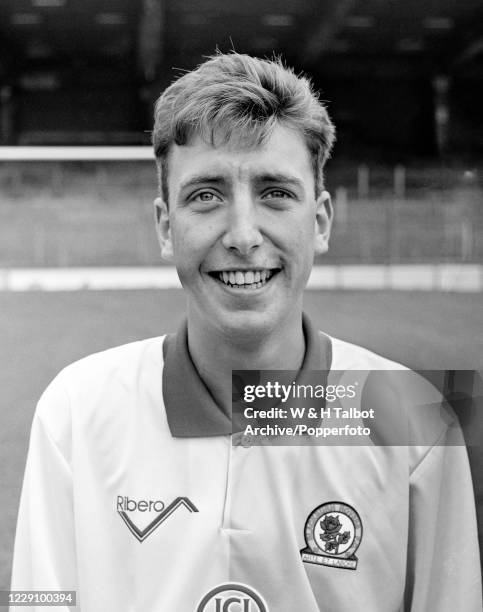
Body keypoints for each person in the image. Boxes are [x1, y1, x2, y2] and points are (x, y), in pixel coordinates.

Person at [11, 52, 481, 612]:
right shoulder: (75, 411)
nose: (242, 234)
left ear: (321, 221)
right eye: (205, 195)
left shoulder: (415, 418)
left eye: (276, 193)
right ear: (166, 226)